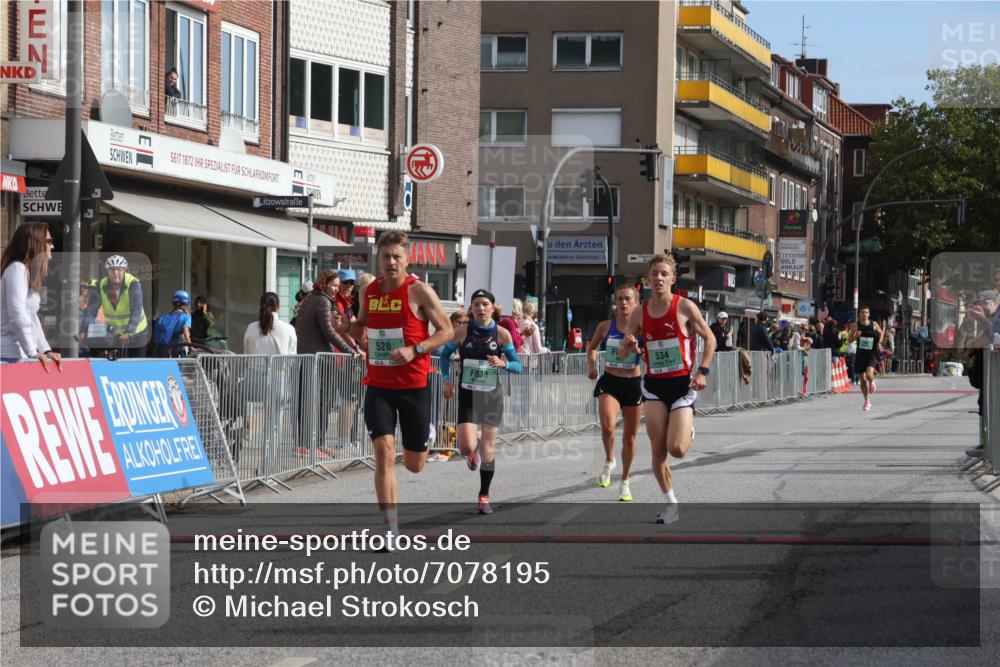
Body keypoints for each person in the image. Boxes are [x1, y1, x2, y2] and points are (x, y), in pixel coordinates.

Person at [345, 231, 453, 539]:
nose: (391, 262)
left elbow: (446, 331)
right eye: (386, 256)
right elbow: (361, 325)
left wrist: (415, 349)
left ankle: (425, 435)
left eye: (397, 257)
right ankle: (390, 528)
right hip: (378, 384)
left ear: (407, 260)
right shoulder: (369, 291)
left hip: (413, 385)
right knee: (383, 452)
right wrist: (347, 329)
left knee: (415, 465)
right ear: (378, 259)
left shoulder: (420, 291)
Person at [619, 254, 716, 524]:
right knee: (657, 448)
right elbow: (625, 352)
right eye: (654, 274)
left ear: (673, 279)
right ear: (648, 279)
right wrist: (629, 345)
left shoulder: (684, 307)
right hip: (654, 387)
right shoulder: (639, 312)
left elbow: (710, 339)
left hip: (682, 385)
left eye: (664, 274)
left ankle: (687, 429)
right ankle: (671, 504)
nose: (659, 278)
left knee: (677, 449)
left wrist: (703, 371)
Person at [439, 289, 522, 514]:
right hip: (468, 395)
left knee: (488, 448)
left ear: (493, 308)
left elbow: (518, 365)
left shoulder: (502, 334)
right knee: (465, 447)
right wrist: (446, 379)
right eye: (476, 304)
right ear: (471, 308)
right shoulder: (461, 331)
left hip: (492, 396)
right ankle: (472, 450)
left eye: (485, 304)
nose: (481, 308)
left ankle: (484, 496)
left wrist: (504, 364)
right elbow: (444, 356)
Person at [586, 285, 644, 502]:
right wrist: (591, 367)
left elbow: (649, 354)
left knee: (629, 437)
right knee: (608, 427)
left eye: (628, 299)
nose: (623, 303)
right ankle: (610, 459)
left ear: (636, 302)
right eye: (620, 299)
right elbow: (592, 347)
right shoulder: (605, 326)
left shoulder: (642, 328)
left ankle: (625, 480)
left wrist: (637, 350)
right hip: (610, 381)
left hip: (633, 384)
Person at [295, 270, 357, 457]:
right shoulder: (322, 301)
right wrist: (350, 351)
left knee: (307, 402)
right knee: (323, 402)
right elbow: (329, 332)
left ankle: (305, 444)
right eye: (334, 285)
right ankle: (316, 444)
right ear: (324, 283)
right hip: (320, 358)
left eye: (338, 286)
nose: (337, 289)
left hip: (308, 356)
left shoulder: (311, 298)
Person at [0, 222, 61, 370]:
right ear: (35, 243)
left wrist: (45, 350)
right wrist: (32, 352)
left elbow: (31, 317)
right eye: (49, 241)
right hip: (10, 355)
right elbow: (18, 315)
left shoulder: (25, 271)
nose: (52, 246)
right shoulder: (17, 269)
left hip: (20, 354)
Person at [79, 254, 149, 358]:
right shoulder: (100, 285)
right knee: (115, 362)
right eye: (112, 269)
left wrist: (130, 331)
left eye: (119, 269)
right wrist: (83, 330)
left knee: (137, 363)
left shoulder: (133, 283)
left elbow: (136, 309)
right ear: (107, 271)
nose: (116, 273)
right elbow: (91, 310)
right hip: (117, 332)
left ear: (125, 270)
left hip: (137, 331)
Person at [850, 307, 883, 411]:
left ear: (869, 314)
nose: (864, 314)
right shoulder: (855, 325)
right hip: (860, 354)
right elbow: (849, 339)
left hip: (871, 353)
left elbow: (881, 333)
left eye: (866, 312)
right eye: (862, 312)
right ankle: (867, 401)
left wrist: (879, 342)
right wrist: (855, 336)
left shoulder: (874, 324)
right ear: (859, 314)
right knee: (863, 380)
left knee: (869, 375)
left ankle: (872, 381)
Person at [152, 290, 192, 358]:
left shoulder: (165, 315)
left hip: (163, 348)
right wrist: (190, 347)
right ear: (186, 303)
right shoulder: (186, 317)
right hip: (176, 349)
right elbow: (185, 331)